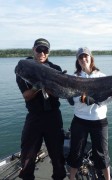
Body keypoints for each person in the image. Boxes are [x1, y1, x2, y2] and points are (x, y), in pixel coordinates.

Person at [67, 47, 112, 180]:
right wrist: (86, 99)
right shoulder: (74, 78)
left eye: (85, 56)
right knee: (76, 152)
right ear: (77, 61)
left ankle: (108, 178)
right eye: (80, 57)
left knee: (102, 154)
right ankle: (71, 177)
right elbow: (73, 100)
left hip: (99, 121)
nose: (83, 59)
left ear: (91, 58)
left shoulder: (102, 77)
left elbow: (106, 100)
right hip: (80, 120)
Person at [16, 38, 66, 180]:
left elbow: (59, 93)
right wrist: (38, 86)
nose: (42, 53)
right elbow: (26, 96)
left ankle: (59, 176)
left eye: (45, 50)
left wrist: (49, 87)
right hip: (35, 117)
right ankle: (27, 176)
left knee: (57, 154)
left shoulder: (56, 69)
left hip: (53, 117)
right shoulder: (24, 68)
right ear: (33, 50)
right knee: (27, 153)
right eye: (39, 49)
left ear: (48, 53)